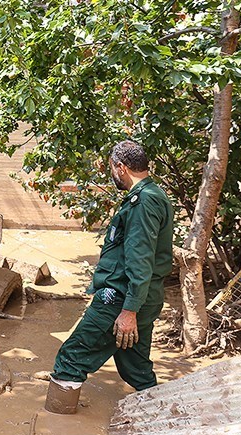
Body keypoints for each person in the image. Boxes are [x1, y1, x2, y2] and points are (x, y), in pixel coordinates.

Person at [44, 139, 174, 414]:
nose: (112, 175)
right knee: (135, 366)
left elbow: (140, 260)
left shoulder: (143, 201)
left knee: (72, 357)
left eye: (112, 169)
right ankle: (162, 417)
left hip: (120, 298)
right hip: (141, 297)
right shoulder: (154, 195)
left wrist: (128, 311)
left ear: (121, 167)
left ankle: (57, 421)